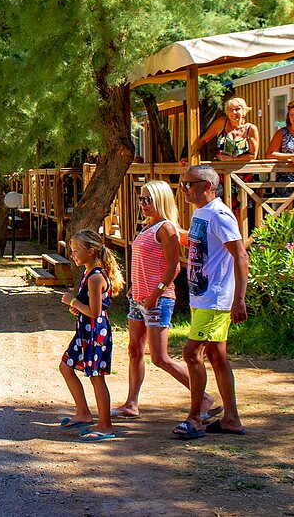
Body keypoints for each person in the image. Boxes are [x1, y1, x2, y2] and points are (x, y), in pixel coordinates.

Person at [114, 180, 217, 421]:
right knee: (134, 350)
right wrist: (135, 289)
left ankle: (203, 396)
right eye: (141, 199)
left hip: (158, 300)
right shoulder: (148, 226)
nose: (143, 204)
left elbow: (174, 267)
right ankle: (131, 403)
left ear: (161, 200)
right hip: (138, 298)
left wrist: (155, 294)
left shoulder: (166, 228)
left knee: (159, 357)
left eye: (148, 199)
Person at [173, 165, 249, 439]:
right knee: (217, 356)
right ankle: (231, 418)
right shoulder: (200, 214)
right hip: (200, 295)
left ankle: (194, 418)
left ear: (207, 186)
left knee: (191, 353)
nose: (184, 189)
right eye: (182, 184)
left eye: (188, 184)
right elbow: (199, 247)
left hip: (216, 298)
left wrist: (239, 298)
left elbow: (240, 256)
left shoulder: (220, 215)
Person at [58, 228, 124, 441]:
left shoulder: (96, 277)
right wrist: (78, 306)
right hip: (84, 331)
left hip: (95, 332)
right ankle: (83, 413)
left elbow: (95, 313)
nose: (73, 254)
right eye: (72, 250)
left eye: (77, 250)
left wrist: (73, 301)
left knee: (97, 377)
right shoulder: (88, 273)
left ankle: (106, 426)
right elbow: (90, 306)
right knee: (66, 366)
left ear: (92, 251)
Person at [185, 96, 260, 163]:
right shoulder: (221, 123)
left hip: (243, 173)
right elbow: (204, 140)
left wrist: (232, 159)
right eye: (230, 109)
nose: (234, 112)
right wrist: (188, 157)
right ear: (227, 112)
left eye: (237, 109)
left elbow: (253, 155)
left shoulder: (251, 129)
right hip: (221, 171)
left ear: (244, 111)